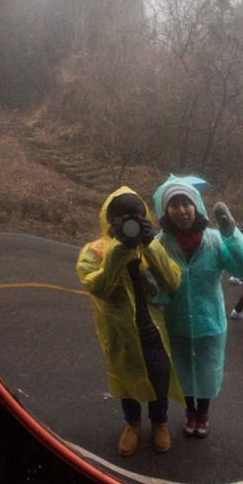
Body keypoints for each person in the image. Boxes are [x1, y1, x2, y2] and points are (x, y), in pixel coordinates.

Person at [76, 187, 183, 456]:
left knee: (159, 379)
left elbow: (172, 281)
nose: (130, 223)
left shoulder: (150, 245)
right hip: (121, 333)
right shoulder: (94, 251)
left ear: (144, 217)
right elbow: (98, 288)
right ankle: (132, 423)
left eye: (136, 217)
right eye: (123, 218)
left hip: (154, 331)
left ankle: (159, 422)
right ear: (110, 220)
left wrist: (150, 245)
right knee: (127, 382)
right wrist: (119, 251)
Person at [153, 175, 243, 439]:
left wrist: (231, 234)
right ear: (166, 211)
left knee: (207, 372)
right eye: (173, 204)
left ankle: (204, 414)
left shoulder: (214, 240)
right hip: (176, 323)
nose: (181, 210)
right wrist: (153, 290)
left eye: (186, 203)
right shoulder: (161, 244)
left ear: (196, 205)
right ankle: (190, 413)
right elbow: (155, 288)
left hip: (209, 323)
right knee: (183, 372)